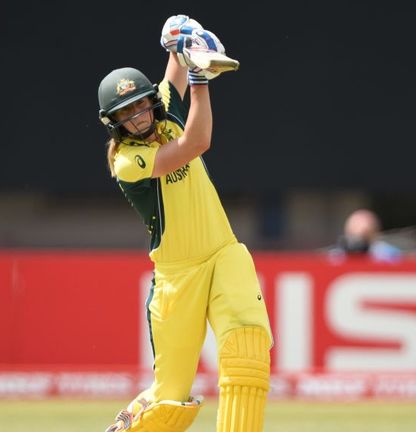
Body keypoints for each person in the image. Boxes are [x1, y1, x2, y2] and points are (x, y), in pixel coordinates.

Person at [97, 15, 272, 432]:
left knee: (246, 356)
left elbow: (175, 59)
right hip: (177, 278)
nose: (138, 116)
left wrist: (177, 34)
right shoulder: (127, 162)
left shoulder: (163, 107)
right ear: (114, 123)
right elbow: (196, 143)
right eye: (126, 113)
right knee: (170, 402)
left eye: (140, 104)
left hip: (224, 252)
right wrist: (200, 79)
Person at [331, 208, 403, 262]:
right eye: (353, 234)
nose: (358, 243)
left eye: (365, 236)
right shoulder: (336, 257)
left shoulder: (388, 255)